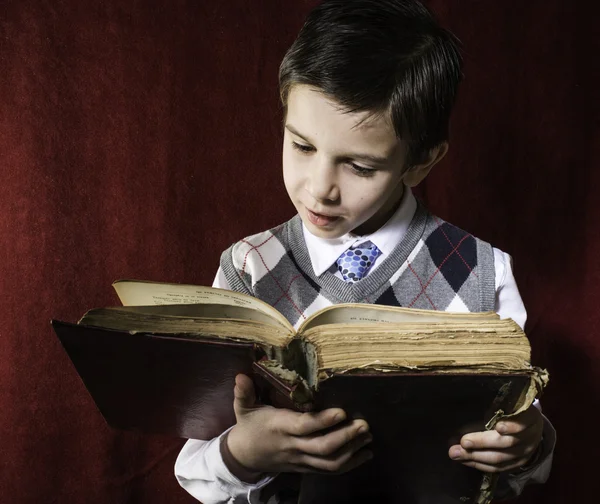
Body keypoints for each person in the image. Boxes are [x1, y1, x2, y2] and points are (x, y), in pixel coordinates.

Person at [175, 1, 555, 502]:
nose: (319, 189)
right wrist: (244, 453)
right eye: (302, 146)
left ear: (420, 162)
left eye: (359, 166)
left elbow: (521, 430)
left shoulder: (482, 271)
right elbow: (194, 468)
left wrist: (529, 444)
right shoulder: (248, 267)